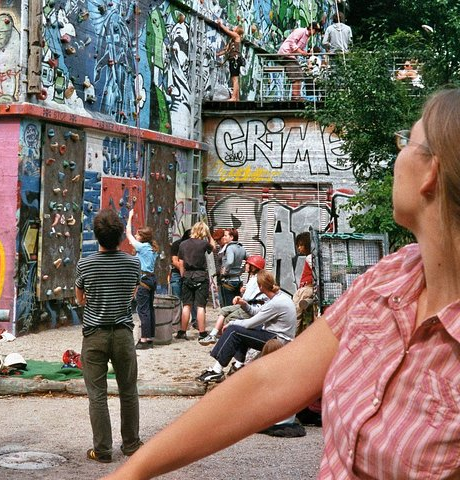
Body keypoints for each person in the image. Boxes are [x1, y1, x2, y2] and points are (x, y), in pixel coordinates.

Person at [102, 87, 460, 480]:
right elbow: (269, 382)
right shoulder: (391, 279)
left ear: (431, 172)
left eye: (407, 141)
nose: (397, 155)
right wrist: (130, 474)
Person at [75, 208, 143, 464]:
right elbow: (133, 294)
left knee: (97, 395)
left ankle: (102, 450)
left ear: (97, 236)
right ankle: (131, 444)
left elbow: (80, 299)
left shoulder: (86, 263)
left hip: (94, 335)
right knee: (128, 391)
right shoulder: (133, 262)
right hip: (124, 334)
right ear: (120, 237)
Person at [196, 270, 295, 383]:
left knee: (234, 330)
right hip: (278, 336)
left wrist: (232, 323)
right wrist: (244, 304)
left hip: (278, 341)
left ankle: (217, 371)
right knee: (242, 330)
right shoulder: (279, 297)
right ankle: (238, 366)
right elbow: (257, 312)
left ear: (261, 287)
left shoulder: (276, 303)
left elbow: (250, 323)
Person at [199, 255, 267, 346]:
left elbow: (247, 298)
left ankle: (225, 341)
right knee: (224, 310)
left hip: (251, 307)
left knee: (229, 318)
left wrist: (242, 295)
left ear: (253, 267)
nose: (245, 265)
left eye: (248, 264)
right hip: (247, 304)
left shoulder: (256, 279)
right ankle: (213, 335)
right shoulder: (254, 278)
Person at [176, 221, 216, 342]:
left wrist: (183, 276)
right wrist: (209, 236)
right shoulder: (204, 244)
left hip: (187, 276)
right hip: (200, 276)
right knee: (200, 306)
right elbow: (213, 248)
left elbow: (181, 263)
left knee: (186, 305)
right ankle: (202, 333)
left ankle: (182, 331)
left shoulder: (183, 244)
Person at [126, 209, 159, 349]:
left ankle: (144, 339)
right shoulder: (152, 248)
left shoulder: (142, 247)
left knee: (143, 310)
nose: (135, 235)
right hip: (152, 279)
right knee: (149, 309)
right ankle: (150, 337)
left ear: (142, 237)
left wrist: (130, 217)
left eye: (138, 234)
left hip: (144, 280)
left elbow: (127, 234)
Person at [277, 21, 321, 100]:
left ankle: (297, 95)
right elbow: (292, 43)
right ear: (311, 28)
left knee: (300, 74)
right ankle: (295, 96)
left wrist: (304, 53)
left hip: (292, 56)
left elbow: (299, 48)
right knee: (295, 73)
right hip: (286, 53)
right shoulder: (300, 31)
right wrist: (301, 52)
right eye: (315, 30)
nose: (315, 33)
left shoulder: (307, 38)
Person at [216, 19, 245, 101]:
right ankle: (237, 98)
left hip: (235, 59)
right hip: (233, 59)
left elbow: (228, 31)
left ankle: (234, 97)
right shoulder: (232, 40)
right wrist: (218, 54)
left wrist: (221, 25)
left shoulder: (236, 36)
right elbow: (226, 51)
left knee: (235, 79)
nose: (233, 27)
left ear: (237, 30)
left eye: (235, 27)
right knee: (234, 79)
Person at [218, 228, 246, 308]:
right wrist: (242, 270)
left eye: (225, 235)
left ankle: (229, 320)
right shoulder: (241, 248)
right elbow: (249, 259)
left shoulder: (229, 248)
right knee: (236, 305)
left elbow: (230, 261)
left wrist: (224, 271)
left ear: (232, 237)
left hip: (228, 281)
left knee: (227, 306)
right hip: (238, 280)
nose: (223, 237)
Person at [292, 231, 314, 332]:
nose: (299, 248)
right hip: (305, 289)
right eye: (298, 245)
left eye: (301, 245)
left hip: (307, 289)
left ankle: (293, 336)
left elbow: (317, 273)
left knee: (296, 314)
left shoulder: (310, 258)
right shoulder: (311, 257)